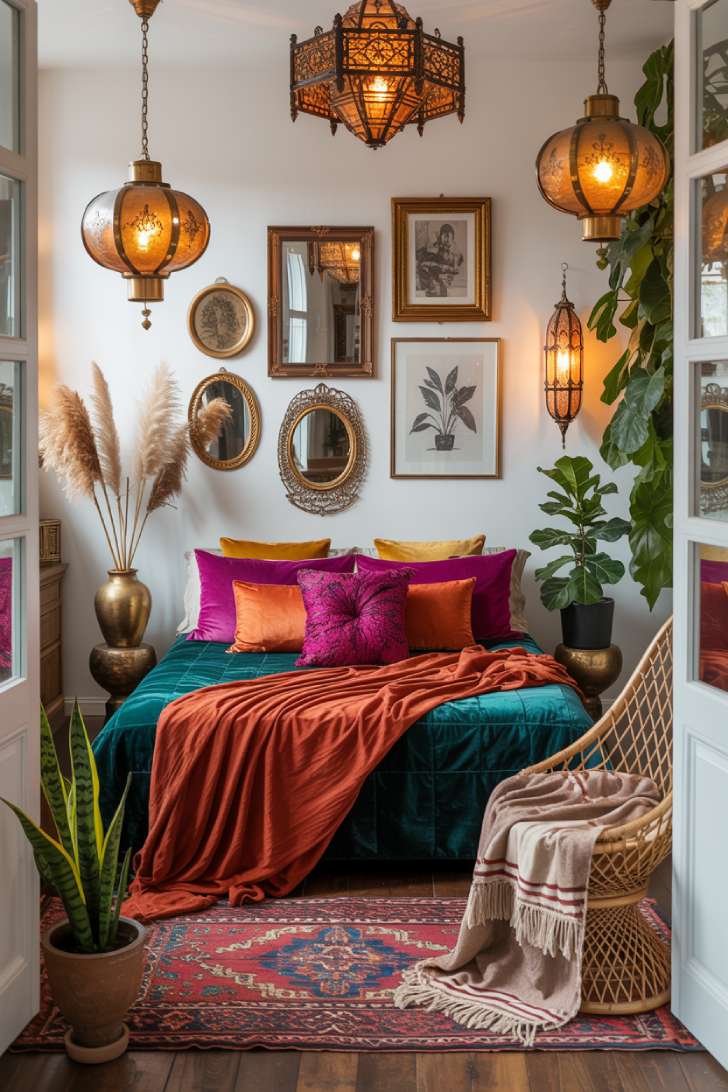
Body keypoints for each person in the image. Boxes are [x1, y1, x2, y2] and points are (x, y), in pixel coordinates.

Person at [416, 222, 464, 297]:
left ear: (452, 238)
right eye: (445, 237)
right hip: (432, 266)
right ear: (441, 236)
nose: (447, 240)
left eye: (449, 237)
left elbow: (456, 269)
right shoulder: (437, 246)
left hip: (442, 271)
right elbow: (428, 254)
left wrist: (446, 267)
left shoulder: (454, 252)